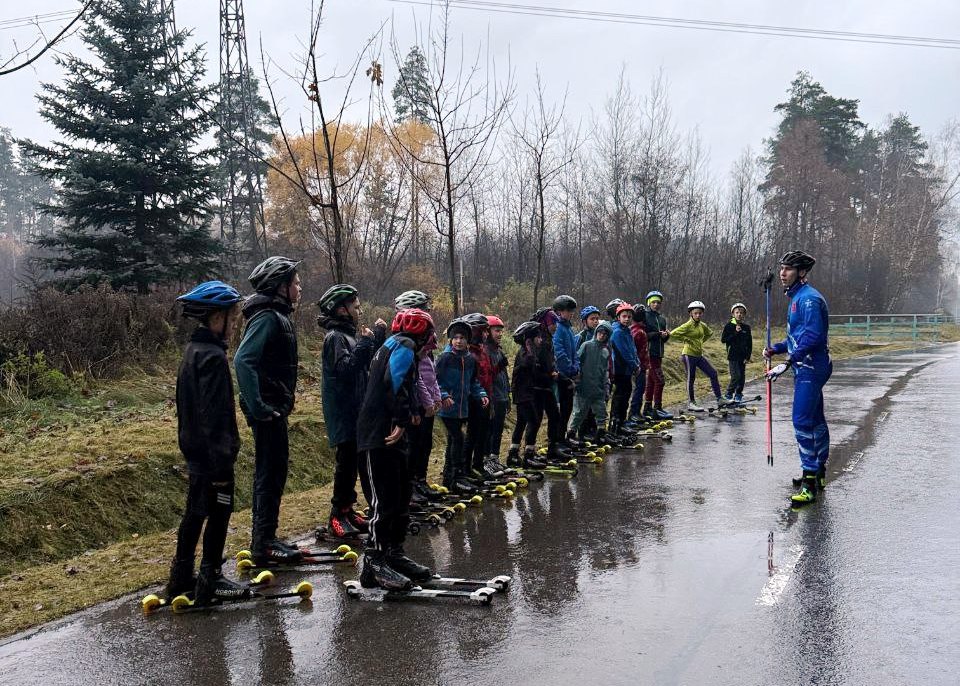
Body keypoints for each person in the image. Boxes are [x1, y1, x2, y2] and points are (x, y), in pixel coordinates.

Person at [166, 280, 246, 604]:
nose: (235, 323)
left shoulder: (192, 352)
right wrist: (224, 462)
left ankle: (181, 576)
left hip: (196, 452)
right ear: (216, 319)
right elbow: (215, 416)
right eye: (231, 316)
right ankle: (211, 576)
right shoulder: (212, 357)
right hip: (213, 457)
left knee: (195, 513)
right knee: (218, 513)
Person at [357, 308, 434, 591]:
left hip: (388, 434)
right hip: (379, 435)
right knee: (385, 501)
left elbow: (404, 383)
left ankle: (394, 554)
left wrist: (412, 410)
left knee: (402, 496)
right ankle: (374, 563)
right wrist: (402, 418)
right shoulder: (405, 345)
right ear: (420, 332)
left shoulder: (394, 344)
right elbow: (394, 381)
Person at [234, 256, 303, 566]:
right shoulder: (267, 318)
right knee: (269, 472)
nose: (300, 288)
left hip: (276, 406)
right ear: (280, 287)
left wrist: (285, 395)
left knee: (275, 471)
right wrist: (260, 407)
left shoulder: (277, 316)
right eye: (296, 283)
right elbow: (242, 361)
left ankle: (267, 537)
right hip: (268, 411)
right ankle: (263, 543)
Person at [317, 283, 387, 539]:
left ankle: (347, 509)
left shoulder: (349, 335)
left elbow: (363, 365)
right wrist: (365, 342)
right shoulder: (334, 337)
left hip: (355, 410)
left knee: (354, 462)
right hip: (342, 411)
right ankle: (337, 514)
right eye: (355, 307)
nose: (360, 311)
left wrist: (375, 339)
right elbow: (346, 369)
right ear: (342, 309)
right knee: (345, 464)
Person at [764, 250, 832, 506]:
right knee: (814, 419)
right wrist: (777, 349)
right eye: (782, 268)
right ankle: (819, 471)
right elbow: (797, 338)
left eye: (789, 269)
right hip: (804, 365)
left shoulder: (808, 300)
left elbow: (813, 337)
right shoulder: (798, 297)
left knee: (802, 420)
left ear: (801, 273)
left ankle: (809, 480)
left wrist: (788, 361)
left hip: (811, 367)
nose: (783, 273)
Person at [393, 291, 444, 504]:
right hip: (416, 400)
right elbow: (414, 377)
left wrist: (437, 395)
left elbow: (430, 371)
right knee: (413, 445)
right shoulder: (404, 342)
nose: (428, 313)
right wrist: (425, 401)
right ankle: (410, 486)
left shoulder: (426, 336)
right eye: (424, 308)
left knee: (425, 443)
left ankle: (420, 481)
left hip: (426, 400)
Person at [436, 319, 489, 492]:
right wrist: (443, 395)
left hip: (462, 408)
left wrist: (481, 394)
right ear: (450, 340)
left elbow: (473, 382)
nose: (459, 341)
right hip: (447, 408)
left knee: (453, 440)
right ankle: (457, 476)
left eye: (462, 338)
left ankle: (448, 478)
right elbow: (435, 382)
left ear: (468, 340)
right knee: (458, 438)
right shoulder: (445, 358)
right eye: (455, 338)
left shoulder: (470, 359)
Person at [507, 321, 549, 469]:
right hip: (522, 393)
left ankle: (513, 453)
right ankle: (528, 455)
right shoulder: (525, 352)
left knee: (521, 422)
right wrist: (530, 346)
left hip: (526, 392)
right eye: (538, 337)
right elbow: (527, 363)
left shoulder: (528, 351)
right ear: (530, 340)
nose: (541, 340)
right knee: (534, 420)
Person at [670, 301, 725, 412]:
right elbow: (672, 334)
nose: (698, 315)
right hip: (688, 355)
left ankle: (720, 399)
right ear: (691, 313)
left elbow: (709, 333)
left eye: (700, 313)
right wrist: (685, 340)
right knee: (691, 379)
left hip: (699, 355)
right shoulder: (687, 326)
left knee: (713, 373)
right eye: (696, 313)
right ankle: (691, 403)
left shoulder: (702, 325)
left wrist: (700, 342)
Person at [531, 307, 570, 459]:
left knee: (554, 415)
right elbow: (535, 365)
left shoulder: (549, 339)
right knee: (536, 419)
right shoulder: (537, 340)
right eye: (553, 322)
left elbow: (550, 362)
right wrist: (550, 373)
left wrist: (554, 372)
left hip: (547, 385)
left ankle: (552, 448)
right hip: (537, 387)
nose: (555, 326)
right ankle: (529, 451)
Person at [461, 313, 495, 478]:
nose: (486, 334)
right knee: (472, 434)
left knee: (483, 433)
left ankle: (478, 464)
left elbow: (488, 374)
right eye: (483, 331)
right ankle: (466, 468)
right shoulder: (470, 354)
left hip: (485, 396)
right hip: (474, 399)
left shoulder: (482, 351)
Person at [569, 321, 613, 443]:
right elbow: (577, 361)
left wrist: (606, 387)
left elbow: (605, 372)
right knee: (579, 412)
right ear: (596, 332)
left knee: (601, 412)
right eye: (600, 332)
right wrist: (575, 379)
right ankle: (571, 434)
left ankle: (601, 433)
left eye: (605, 334)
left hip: (598, 389)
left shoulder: (605, 351)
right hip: (584, 387)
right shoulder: (586, 345)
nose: (602, 335)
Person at [552, 295, 581, 445]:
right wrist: (570, 370)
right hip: (562, 375)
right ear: (558, 312)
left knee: (568, 407)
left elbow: (574, 351)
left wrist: (576, 367)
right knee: (562, 409)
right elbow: (560, 353)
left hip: (570, 373)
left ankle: (563, 438)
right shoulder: (558, 329)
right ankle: (558, 439)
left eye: (571, 310)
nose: (571, 313)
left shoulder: (568, 328)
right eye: (567, 310)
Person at [485, 315, 512, 472]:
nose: (500, 334)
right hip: (493, 397)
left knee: (498, 430)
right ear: (488, 332)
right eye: (497, 331)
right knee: (490, 430)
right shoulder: (486, 351)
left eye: (501, 331)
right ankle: (487, 460)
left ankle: (495, 458)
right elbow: (488, 376)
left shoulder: (498, 351)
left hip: (501, 396)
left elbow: (505, 377)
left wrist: (508, 395)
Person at [641, 291, 672, 420]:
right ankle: (657, 408)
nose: (656, 304)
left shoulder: (662, 319)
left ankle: (647, 407)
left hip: (659, 353)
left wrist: (666, 336)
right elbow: (643, 335)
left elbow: (662, 339)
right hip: (649, 353)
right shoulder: (645, 316)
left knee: (652, 381)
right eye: (653, 302)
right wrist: (657, 334)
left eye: (658, 302)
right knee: (660, 381)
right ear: (649, 303)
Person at [609, 302, 639, 433]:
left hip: (627, 369)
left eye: (629, 317)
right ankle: (615, 423)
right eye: (624, 316)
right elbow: (625, 353)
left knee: (626, 395)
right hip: (620, 369)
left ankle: (622, 421)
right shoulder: (617, 332)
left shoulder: (627, 331)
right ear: (618, 317)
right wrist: (634, 365)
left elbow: (633, 349)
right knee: (619, 397)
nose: (627, 319)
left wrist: (637, 362)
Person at [721, 303, 753, 403]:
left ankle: (738, 394)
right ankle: (728, 394)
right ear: (733, 314)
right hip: (733, 356)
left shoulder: (746, 328)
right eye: (737, 312)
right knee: (736, 376)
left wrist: (747, 356)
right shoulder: (729, 326)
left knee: (742, 378)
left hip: (743, 357)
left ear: (744, 315)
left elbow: (749, 343)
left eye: (741, 313)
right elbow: (724, 340)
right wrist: (735, 332)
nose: (739, 314)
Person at [628, 303, 651, 424]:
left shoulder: (636, 329)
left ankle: (637, 412)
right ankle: (634, 413)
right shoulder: (639, 332)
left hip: (640, 365)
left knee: (640, 388)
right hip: (639, 366)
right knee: (639, 388)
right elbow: (636, 351)